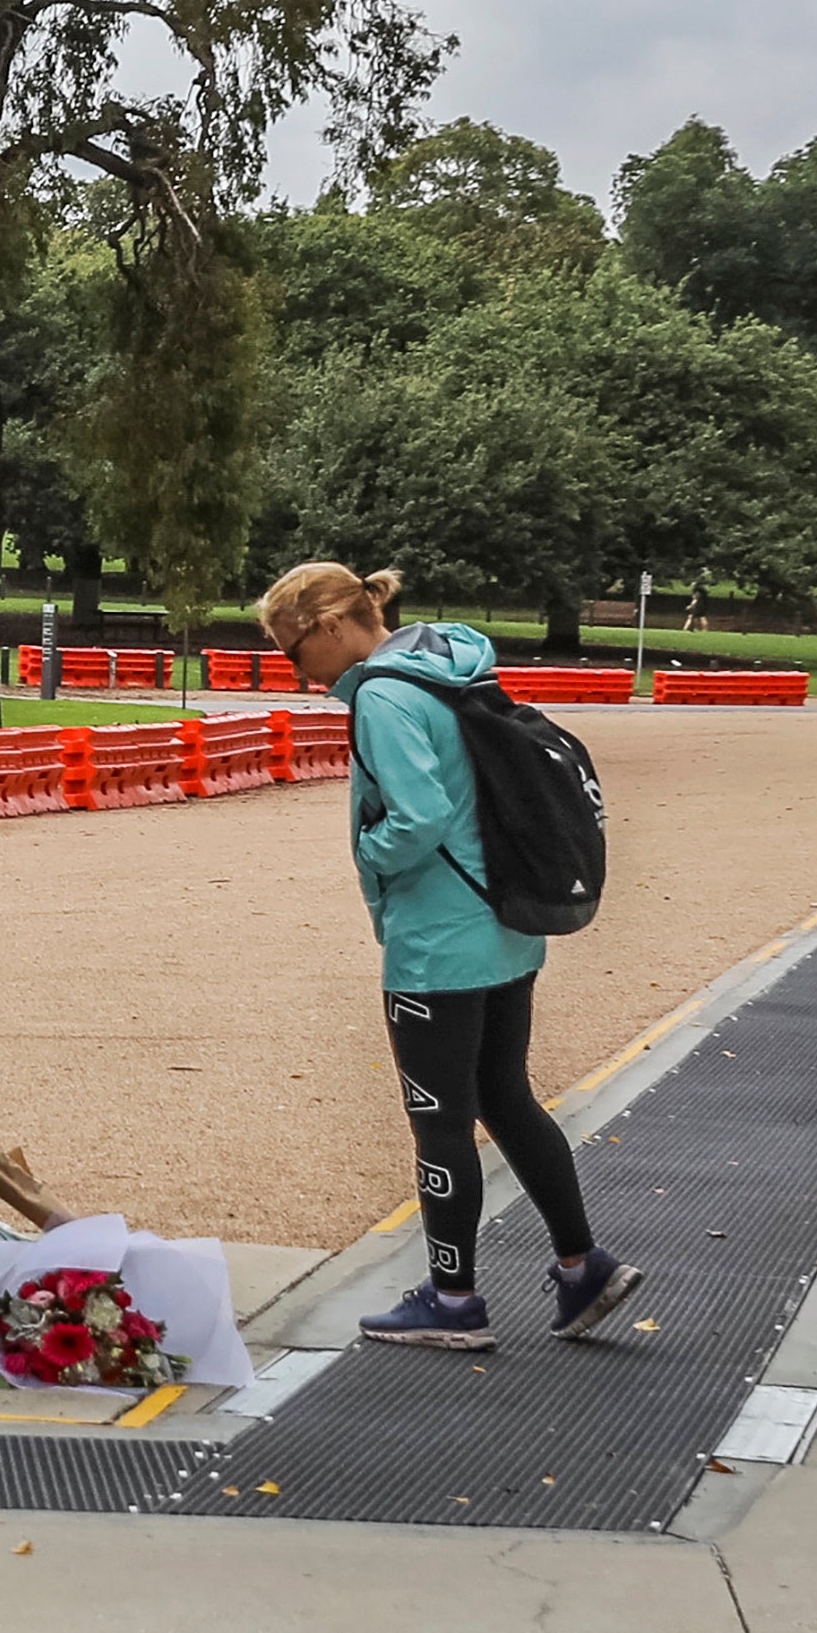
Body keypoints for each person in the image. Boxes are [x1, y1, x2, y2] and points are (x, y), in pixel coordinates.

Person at [262, 559, 645, 1355]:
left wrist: (370, 854)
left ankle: (454, 1298)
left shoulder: (382, 695)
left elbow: (419, 814)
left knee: (439, 1123)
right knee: (507, 1098)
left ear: (332, 628)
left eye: (293, 650)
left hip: (438, 939)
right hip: (506, 922)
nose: (292, 670)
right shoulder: (450, 667)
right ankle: (582, 1265)